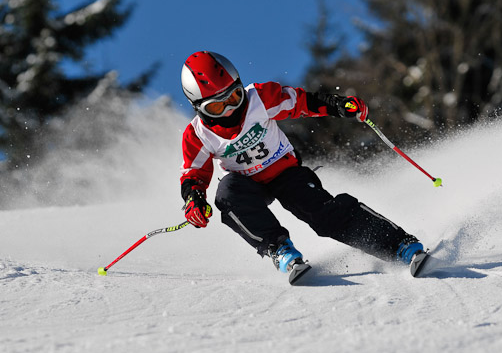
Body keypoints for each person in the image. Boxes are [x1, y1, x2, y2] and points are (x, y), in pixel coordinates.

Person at [179, 51, 426, 281]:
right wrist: (194, 199)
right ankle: (279, 248)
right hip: (247, 185)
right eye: (216, 107)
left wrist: (337, 105)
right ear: (199, 108)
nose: (230, 109)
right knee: (227, 196)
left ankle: (400, 245)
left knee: (322, 215)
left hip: (284, 172)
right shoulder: (197, 135)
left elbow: (301, 102)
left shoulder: (259, 99)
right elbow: (193, 174)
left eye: (234, 97)